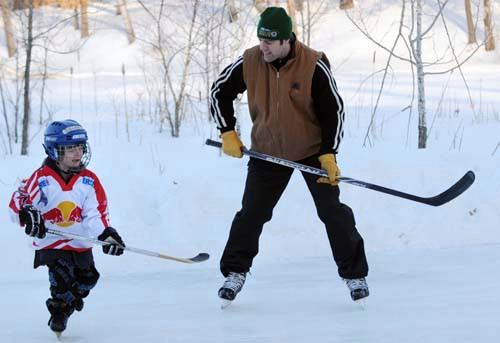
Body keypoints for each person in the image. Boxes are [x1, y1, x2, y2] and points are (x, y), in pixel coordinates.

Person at [210, 7, 369, 303]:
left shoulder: (313, 65)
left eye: (270, 41)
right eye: (261, 39)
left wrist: (328, 153)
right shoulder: (250, 61)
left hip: (310, 152)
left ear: (287, 40)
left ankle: (354, 274)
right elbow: (219, 91)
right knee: (252, 214)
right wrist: (227, 131)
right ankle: (235, 272)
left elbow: (334, 111)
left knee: (332, 213)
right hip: (267, 152)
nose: (264, 46)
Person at [8, 119, 126, 335]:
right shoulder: (40, 178)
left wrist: (106, 234)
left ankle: (67, 305)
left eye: (80, 147)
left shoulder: (89, 181)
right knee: (61, 281)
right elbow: (18, 203)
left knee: (88, 280)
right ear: (55, 150)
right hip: (51, 243)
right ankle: (58, 310)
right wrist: (28, 214)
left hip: (80, 243)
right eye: (70, 148)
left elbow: (94, 214)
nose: (77, 153)